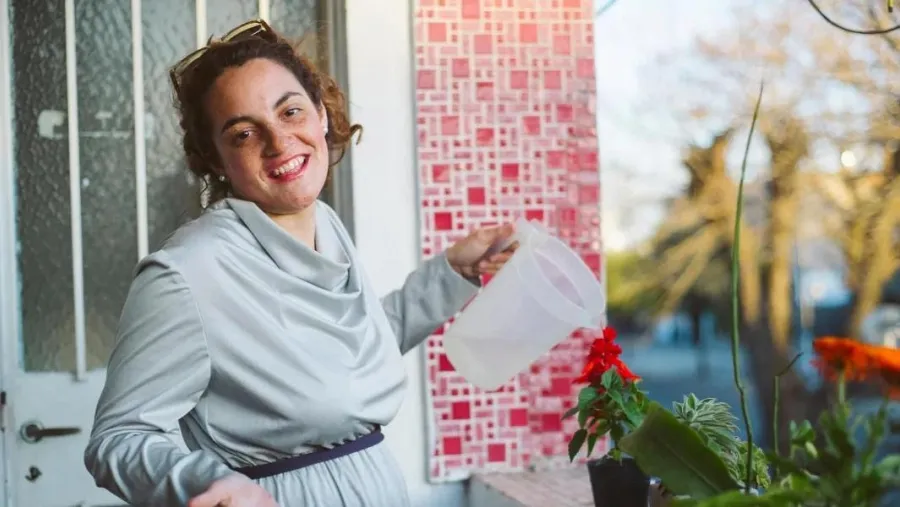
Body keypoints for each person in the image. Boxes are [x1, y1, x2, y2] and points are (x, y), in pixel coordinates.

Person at [83, 19, 517, 507]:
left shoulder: (324, 226)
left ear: (321, 115)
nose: (278, 141)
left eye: (290, 112)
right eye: (244, 133)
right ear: (215, 159)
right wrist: (203, 481)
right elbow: (117, 438)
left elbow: (343, 360)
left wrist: (453, 273)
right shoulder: (187, 273)